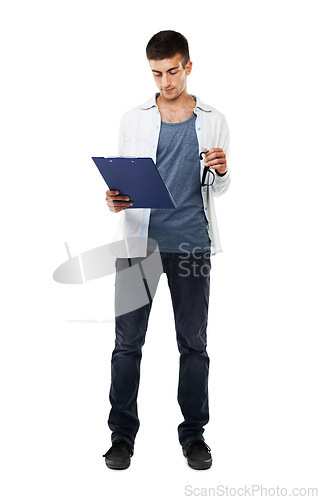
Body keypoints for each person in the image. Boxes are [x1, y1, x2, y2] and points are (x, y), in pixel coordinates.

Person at [102, 30, 230, 470]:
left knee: (194, 344)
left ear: (188, 66)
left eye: (172, 71)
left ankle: (194, 436)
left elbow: (221, 185)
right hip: (140, 244)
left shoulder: (213, 119)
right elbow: (123, 182)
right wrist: (114, 199)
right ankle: (122, 437)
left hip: (192, 243)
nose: (165, 82)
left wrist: (223, 169)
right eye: (156, 73)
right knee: (126, 344)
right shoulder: (132, 119)